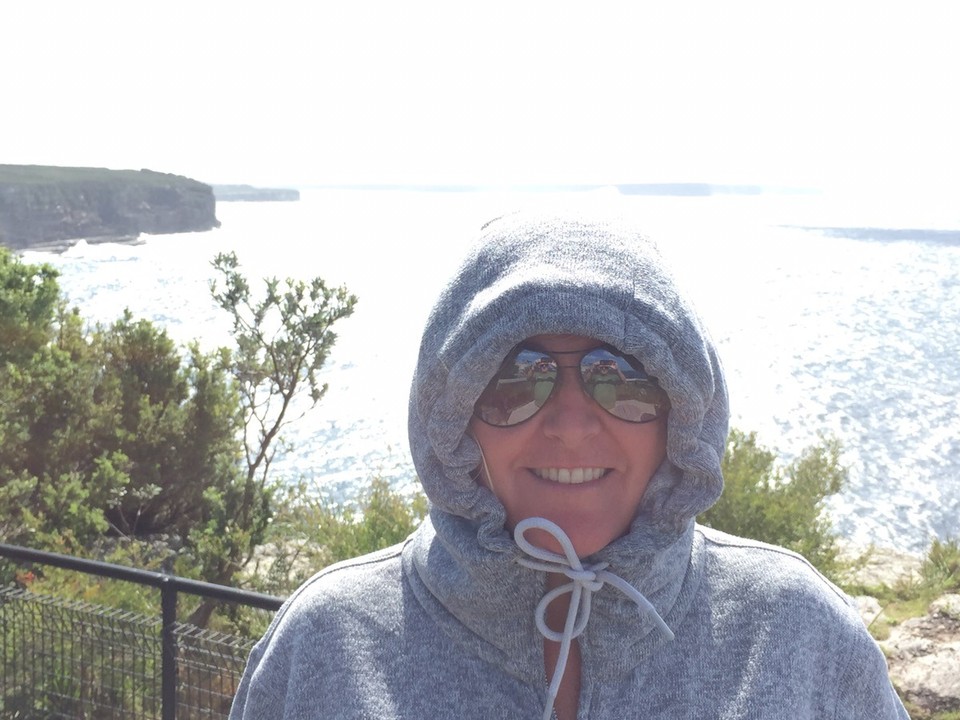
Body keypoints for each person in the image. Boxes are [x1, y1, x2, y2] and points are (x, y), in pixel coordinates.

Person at [229, 209, 908, 719]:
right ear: (455, 418)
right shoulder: (328, 644)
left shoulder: (797, 634)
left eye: (621, 374)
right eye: (515, 377)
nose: (573, 424)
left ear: (681, 409)